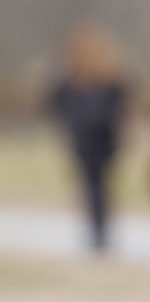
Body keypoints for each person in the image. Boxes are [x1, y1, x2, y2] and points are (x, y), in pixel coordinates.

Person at [47, 23, 129, 253]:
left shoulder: (94, 80)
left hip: (94, 139)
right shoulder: (83, 79)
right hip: (93, 139)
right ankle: (99, 230)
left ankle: (98, 230)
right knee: (97, 186)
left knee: (94, 186)